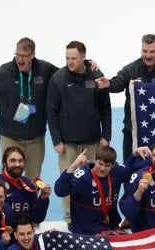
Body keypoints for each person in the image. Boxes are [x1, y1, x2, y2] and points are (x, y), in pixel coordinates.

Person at [0, 37, 58, 179]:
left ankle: (31, 202)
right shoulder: (4, 72)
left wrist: (88, 65)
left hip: (35, 139)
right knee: (8, 179)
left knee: (34, 180)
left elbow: (65, 76)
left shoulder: (45, 70)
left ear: (32, 55)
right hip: (10, 138)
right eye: (17, 54)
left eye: (24, 56)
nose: (20, 59)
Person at [47, 41, 111, 224]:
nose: (70, 62)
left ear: (84, 57)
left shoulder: (96, 76)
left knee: (94, 180)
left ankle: (94, 215)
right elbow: (51, 111)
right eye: (67, 58)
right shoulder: (58, 79)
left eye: (74, 58)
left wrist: (106, 136)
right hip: (68, 144)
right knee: (68, 181)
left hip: (92, 142)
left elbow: (105, 108)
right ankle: (69, 218)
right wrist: (56, 140)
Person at [95, 34, 155, 160]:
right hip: (132, 131)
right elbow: (118, 82)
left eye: (152, 52)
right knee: (130, 168)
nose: (148, 55)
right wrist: (109, 84)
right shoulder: (132, 68)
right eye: (144, 51)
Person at [54, 146, 132, 235]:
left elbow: (133, 169)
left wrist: (135, 154)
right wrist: (73, 166)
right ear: (94, 160)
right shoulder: (82, 177)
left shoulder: (117, 172)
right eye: (100, 164)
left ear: (113, 165)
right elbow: (59, 191)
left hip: (111, 228)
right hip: (87, 233)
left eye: (107, 166)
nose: (102, 168)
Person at [0, 146, 51, 224]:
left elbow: (37, 218)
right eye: (12, 160)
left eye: (20, 160)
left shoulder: (29, 185)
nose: (17, 164)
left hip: (22, 235)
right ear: (4, 163)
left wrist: (43, 199)